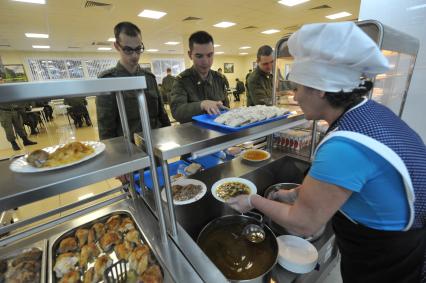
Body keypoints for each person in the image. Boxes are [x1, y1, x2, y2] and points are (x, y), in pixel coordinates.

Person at [227, 22, 426, 283]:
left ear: (320, 89)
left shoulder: (344, 147)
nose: (295, 97)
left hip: (387, 259)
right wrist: (291, 194)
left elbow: (303, 223)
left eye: (297, 88)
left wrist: (251, 201)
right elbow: (341, 183)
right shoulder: (370, 112)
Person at [97, 21, 170, 140]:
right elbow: (106, 129)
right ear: (117, 46)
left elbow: (162, 115)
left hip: (157, 144)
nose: (135, 55)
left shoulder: (149, 78)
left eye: (138, 49)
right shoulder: (108, 81)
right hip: (129, 149)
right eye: (128, 50)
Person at [170, 31, 229, 123]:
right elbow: (177, 112)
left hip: (219, 132)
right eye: (199, 56)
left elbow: (226, 108)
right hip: (192, 135)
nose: (205, 61)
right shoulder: (182, 81)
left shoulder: (220, 79)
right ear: (190, 55)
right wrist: (202, 105)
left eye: (209, 55)